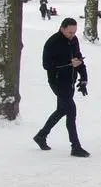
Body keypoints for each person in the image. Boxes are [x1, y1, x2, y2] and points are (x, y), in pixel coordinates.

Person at [35, 17, 89, 157]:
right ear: (62, 28)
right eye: (70, 32)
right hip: (57, 82)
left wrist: (83, 78)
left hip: (70, 81)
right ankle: (75, 146)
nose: (72, 35)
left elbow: (78, 59)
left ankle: (41, 136)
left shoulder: (74, 40)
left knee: (61, 110)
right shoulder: (53, 42)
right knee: (71, 110)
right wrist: (68, 63)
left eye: (74, 32)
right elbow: (46, 65)